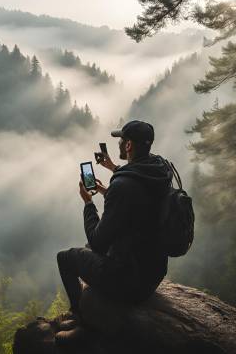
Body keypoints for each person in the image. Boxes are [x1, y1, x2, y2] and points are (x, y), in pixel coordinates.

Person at [55, 120, 173, 344]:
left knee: (66, 257)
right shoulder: (160, 172)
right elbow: (137, 201)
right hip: (153, 273)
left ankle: (82, 321)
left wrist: (88, 203)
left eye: (121, 140)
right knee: (91, 249)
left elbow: (98, 242)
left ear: (128, 146)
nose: (119, 144)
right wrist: (108, 182)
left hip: (129, 282)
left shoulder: (123, 186)